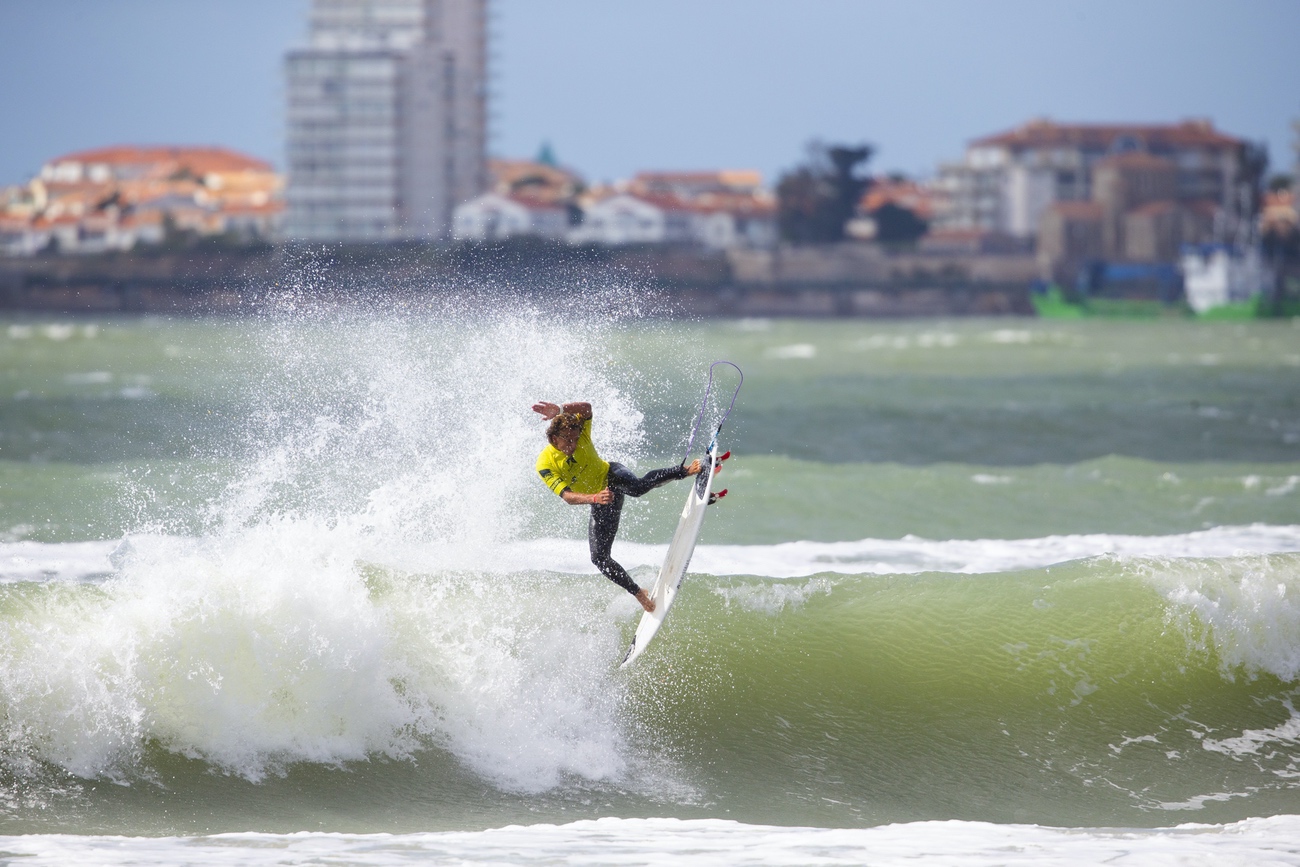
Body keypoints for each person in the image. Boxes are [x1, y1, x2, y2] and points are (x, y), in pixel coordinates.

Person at [532, 400, 703, 613]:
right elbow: (567, 496)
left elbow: (586, 407)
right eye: (568, 441)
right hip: (601, 498)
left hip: (612, 474)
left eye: (576, 440)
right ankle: (639, 592)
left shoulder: (580, 429)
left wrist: (559, 410)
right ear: (553, 438)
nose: (573, 445)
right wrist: (595, 498)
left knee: (637, 487)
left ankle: (683, 471)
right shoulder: (545, 464)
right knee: (599, 559)